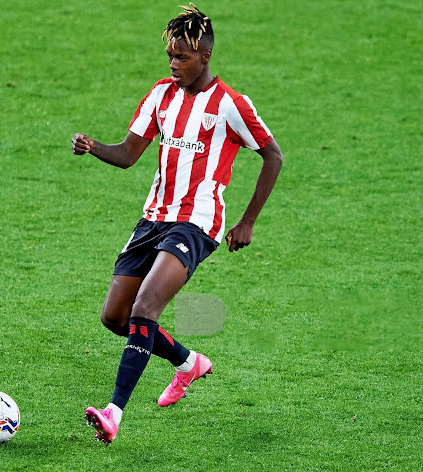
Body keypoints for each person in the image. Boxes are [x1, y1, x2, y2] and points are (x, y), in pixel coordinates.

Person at [71, 3, 283, 445]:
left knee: (145, 308)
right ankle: (188, 364)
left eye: (182, 57)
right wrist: (93, 147)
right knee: (116, 317)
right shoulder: (160, 95)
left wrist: (247, 221)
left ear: (205, 56)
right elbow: (129, 154)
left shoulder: (230, 105)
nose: (173, 64)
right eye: (170, 56)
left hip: (196, 222)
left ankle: (113, 413)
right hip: (153, 219)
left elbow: (273, 155)